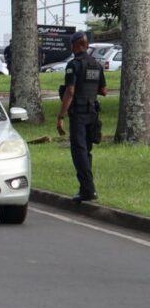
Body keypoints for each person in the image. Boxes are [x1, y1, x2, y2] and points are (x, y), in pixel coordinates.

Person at [57, 31, 106, 202]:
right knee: (87, 151)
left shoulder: (73, 65)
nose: (71, 48)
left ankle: (88, 190)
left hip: (78, 113)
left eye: (72, 45)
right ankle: (86, 188)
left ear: (77, 45)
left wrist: (60, 117)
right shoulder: (96, 65)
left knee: (79, 153)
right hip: (92, 112)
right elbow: (103, 91)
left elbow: (70, 91)